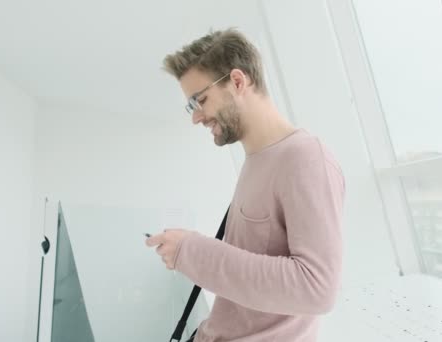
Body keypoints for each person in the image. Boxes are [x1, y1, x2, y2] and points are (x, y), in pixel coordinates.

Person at [146, 28, 345, 342]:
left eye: (200, 100)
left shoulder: (306, 158)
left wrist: (192, 251)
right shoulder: (256, 160)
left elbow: (317, 289)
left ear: (237, 82)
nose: (196, 117)